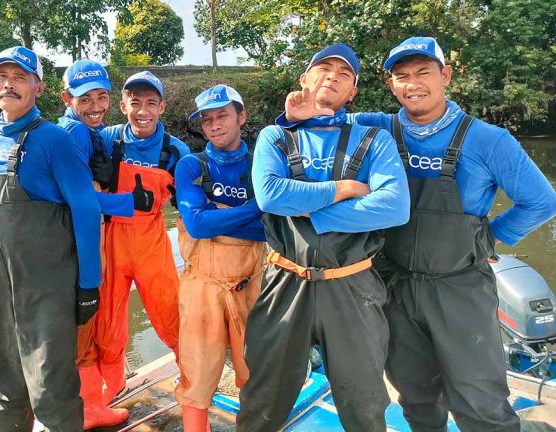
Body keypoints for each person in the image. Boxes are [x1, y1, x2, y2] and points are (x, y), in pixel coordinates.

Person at [284, 36, 556, 432]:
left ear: (445, 75)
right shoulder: (373, 129)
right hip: (390, 287)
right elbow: (323, 123)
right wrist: (302, 112)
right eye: (402, 76)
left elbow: (542, 202)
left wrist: (490, 238)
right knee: (414, 395)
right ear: (391, 85)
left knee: (480, 401)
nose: (413, 84)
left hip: (459, 288)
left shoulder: (488, 139)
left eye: (423, 73)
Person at [237, 43, 410, 432]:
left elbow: (394, 208)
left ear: (352, 92)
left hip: (353, 287)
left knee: (365, 404)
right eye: (323, 68)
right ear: (305, 79)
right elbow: (270, 195)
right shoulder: (275, 137)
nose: (332, 76)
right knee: (262, 401)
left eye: (344, 74)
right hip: (285, 283)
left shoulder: (374, 141)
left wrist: (308, 208)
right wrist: (346, 187)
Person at [0, 46, 102, 432]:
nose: (9, 84)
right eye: (2, 76)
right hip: (1, 291)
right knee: (7, 382)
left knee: (51, 389)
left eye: (20, 77)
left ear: (39, 86)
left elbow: (87, 212)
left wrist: (88, 286)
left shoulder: (53, 141)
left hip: (48, 292)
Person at [56, 59, 153, 430]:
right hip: (76, 251)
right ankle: (89, 410)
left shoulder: (87, 131)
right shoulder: (75, 134)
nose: (96, 106)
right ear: (67, 98)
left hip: (79, 246)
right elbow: (82, 201)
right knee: (83, 332)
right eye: (86, 99)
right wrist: (133, 203)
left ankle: (89, 402)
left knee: (88, 330)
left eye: (102, 97)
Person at [174, 85, 266, 431]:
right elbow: (196, 225)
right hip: (202, 286)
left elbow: (271, 230)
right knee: (196, 374)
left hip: (251, 284)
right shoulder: (190, 165)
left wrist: (218, 214)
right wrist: (255, 208)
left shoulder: (263, 164)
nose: (214, 125)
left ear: (241, 116)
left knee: (255, 370)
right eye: (207, 119)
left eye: (222, 115)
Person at [95, 71, 191, 404]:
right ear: (122, 106)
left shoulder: (177, 152)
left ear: (162, 107)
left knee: (171, 316)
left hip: (152, 242)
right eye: (135, 103)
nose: (143, 111)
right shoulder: (106, 139)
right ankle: (113, 390)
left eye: (151, 103)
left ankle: (192, 384)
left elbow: (189, 209)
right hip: (111, 242)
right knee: (106, 322)